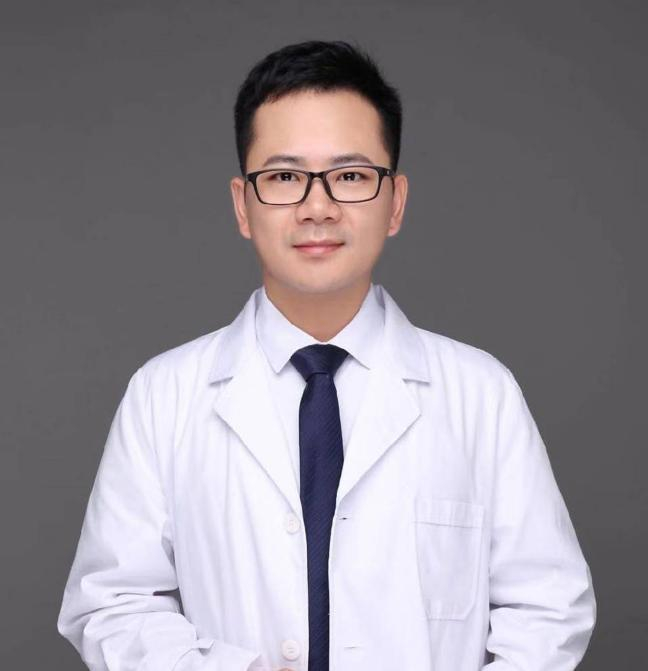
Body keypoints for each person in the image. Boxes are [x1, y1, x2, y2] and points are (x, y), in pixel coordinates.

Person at [57, 40, 596, 671]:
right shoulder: (163, 395)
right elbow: (112, 605)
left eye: (351, 176)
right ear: (243, 205)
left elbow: (548, 609)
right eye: (285, 177)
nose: (318, 207)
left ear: (395, 203)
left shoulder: (481, 393)